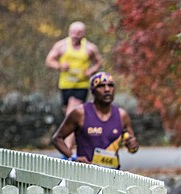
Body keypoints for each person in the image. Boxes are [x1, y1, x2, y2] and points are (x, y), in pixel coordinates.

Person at [51, 72, 139, 168]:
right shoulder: (80, 113)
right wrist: (72, 157)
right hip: (86, 174)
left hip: (112, 175)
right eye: (101, 86)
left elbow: (132, 147)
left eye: (110, 85)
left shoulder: (122, 115)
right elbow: (57, 138)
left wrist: (133, 146)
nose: (107, 89)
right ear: (93, 91)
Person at [45, 21, 103, 152]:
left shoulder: (89, 48)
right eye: (73, 33)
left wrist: (91, 71)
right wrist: (60, 66)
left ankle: (67, 149)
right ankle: (84, 143)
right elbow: (49, 60)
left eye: (79, 33)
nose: (75, 36)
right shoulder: (61, 46)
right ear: (69, 32)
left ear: (83, 34)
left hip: (80, 86)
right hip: (65, 85)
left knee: (71, 114)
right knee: (71, 118)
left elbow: (99, 61)